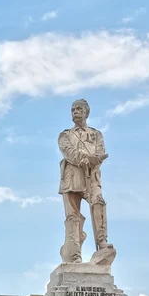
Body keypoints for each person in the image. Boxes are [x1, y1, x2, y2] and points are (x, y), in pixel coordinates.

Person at [58, 98, 113, 263]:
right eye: (73, 109)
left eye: (79, 109)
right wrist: (87, 158)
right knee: (72, 217)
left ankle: (102, 242)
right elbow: (69, 152)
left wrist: (93, 160)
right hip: (72, 176)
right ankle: (74, 255)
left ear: (86, 112)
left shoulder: (96, 134)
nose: (75, 112)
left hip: (92, 175)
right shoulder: (65, 135)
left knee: (98, 203)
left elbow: (100, 153)